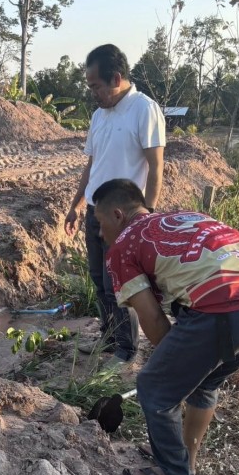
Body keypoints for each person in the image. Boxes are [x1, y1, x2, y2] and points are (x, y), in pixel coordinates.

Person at [91, 178, 239, 475]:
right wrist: (182, 365)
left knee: (154, 386)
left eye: (100, 223)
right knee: (204, 382)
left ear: (117, 215)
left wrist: (169, 368)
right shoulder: (183, 216)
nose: (100, 233)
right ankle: (186, 463)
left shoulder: (123, 245)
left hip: (229, 304)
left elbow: (152, 318)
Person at [64, 44, 166, 368]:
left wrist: (145, 218)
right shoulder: (99, 115)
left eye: (96, 86)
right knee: (99, 280)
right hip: (97, 212)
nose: (93, 92)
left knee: (119, 286)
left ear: (116, 79)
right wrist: (76, 204)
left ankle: (126, 350)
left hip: (125, 219)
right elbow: (92, 164)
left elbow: (156, 167)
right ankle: (108, 338)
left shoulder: (144, 109)